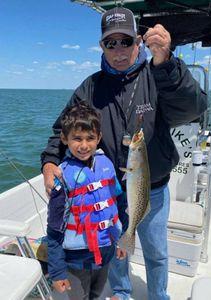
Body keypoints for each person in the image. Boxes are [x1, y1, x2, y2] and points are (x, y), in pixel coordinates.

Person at [41, 6, 207, 300]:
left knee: (156, 251)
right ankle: (121, 292)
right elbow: (63, 131)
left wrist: (167, 64)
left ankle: (159, 295)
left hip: (150, 188)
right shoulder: (90, 87)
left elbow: (192, 109)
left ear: (139, 41)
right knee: (115, 247)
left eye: (126, 41)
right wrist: (50, 160)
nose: (119, 50)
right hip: (107, 190)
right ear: (102, 46)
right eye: (111, 43)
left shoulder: (158, 74)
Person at [47, 101, 126, 300]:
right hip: (77, 261)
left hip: (106, 251)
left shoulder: (106, 164)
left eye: (90, 138)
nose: (84, 145)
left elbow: (119, 205)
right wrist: (57, 271)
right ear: (64, 138)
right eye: (77, 138)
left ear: (99, 138)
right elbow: (55, 229)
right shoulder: (63, 176)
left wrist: (122, 240)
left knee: (97, 294)